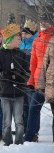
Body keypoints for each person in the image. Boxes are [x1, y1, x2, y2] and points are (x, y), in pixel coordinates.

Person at [0, 23, 29, 146]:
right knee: (6, 121)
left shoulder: (21, 54)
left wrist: (21, 76)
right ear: (11, 39)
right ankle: (7, 143)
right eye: (18, 39)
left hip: (19, 92)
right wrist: (6, 75)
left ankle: (19, 143)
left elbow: (27, 73)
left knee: (19, 120)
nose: (20, 41)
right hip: (5, 93)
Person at [24, 12, 54, 142]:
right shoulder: (37, 39)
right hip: (39, 81)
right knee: (33, 108)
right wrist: (31, 79)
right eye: (41, 21)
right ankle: (30, 136)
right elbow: (33, 62)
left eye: (45, 21)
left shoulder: (52, 37)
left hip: (52, 80)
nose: (43, 23)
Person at [19, 19, 38, 133]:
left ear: (31, 33)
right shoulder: (21, 44)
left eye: (26, 33)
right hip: (22, 79)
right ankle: (25, 129)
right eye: (22, 33)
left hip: (32, 79)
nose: (23, 35)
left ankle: (34, 131)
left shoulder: (36, 43)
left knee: (33, 106)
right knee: (24, 106)